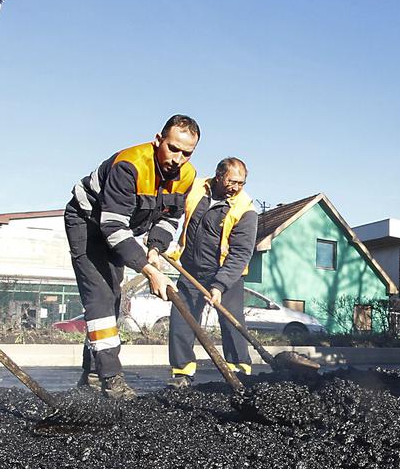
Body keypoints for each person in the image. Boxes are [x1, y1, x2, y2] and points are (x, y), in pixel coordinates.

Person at [66, 115, 199, 399]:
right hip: (87, 222)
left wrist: (155, 247)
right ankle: (111, 378)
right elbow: (111, 226)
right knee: (100, 297)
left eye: (186, 153)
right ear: (158, 140)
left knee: (112, 298)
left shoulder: (187, 176)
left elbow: (170, 218)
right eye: (173, 148)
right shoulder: (130, 165)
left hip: (120, 228)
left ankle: (92, 373)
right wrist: (150, 271)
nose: (178, 158)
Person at [167, 157, 259, 387]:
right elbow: (172, 207)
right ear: (218, 176)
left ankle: (240, 369)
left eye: (241, 182)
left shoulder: (246, 210)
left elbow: (240, 254)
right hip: (190, 270)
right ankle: (182, 372)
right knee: (182, 321)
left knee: (231, 322)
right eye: (232, 181)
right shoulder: (196, 187)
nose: (236, 187)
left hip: (227, 274)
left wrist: (219, 285)